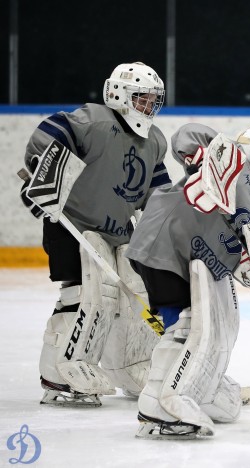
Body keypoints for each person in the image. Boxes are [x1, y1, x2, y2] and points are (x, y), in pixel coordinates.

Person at [126, 122, 250, 439]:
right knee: (186, 328)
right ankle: (160, 402)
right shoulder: (229, 159)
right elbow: (187, 134)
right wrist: (200, 157)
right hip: (164, 245)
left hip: (188, 264)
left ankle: (191, 385)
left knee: (193, 327)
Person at [19, 62, 171, 406]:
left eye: (153, 100)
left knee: (136, 295)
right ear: (118, 94)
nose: (149, 106)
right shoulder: (94, 121)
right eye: (142, 98)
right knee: (82, 296)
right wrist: (41, 180)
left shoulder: (155, 141)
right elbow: (50, 132)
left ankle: (132, 366)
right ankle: (58, 372)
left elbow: (157, 195)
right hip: (71, 225)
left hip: (118, 234)